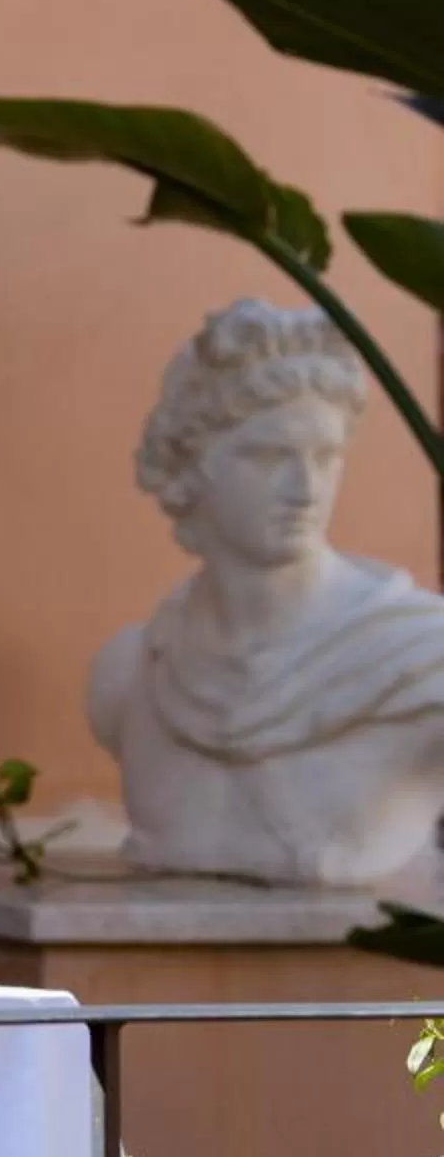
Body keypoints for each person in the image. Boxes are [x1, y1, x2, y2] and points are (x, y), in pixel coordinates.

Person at [89, 298, 444, 886]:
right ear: (191, 463)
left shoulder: (421, 658)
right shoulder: (130, 676)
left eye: (326, 457)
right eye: (268, 455)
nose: (306, 489)